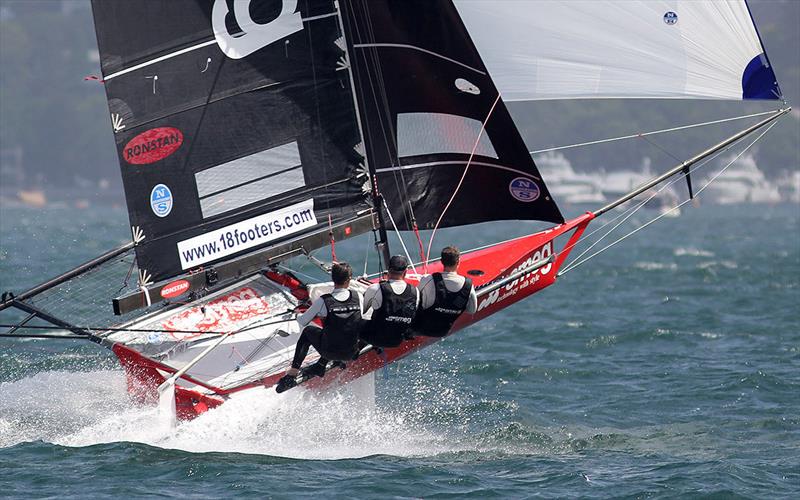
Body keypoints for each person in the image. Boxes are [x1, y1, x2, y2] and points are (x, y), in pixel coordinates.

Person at [276, 262, 363, 393]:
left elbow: (303, 321)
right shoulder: (358, 297)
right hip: (351, 352)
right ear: (349, 279)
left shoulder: (324, 301)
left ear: (333, 279)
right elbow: (367, 318)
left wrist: (300, 312)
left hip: (329, 351)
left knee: (308, 331)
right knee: (353, 327)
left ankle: (293, 372)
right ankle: (321, 365)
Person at [412, 246, 477, 338]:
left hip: (421, 329)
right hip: (443, 331)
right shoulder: (468, 285)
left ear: (442, 262)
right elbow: (472, 310)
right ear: (458, 262)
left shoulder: (428, 279)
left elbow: (414, 299)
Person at [359, 255, 419, 349]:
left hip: (373, 338)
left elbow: (362, 311)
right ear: (406, 272)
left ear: (388, 270)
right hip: (396, 341)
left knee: (354, 317)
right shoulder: (415, 291)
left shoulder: (376, 288)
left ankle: (348, 351)